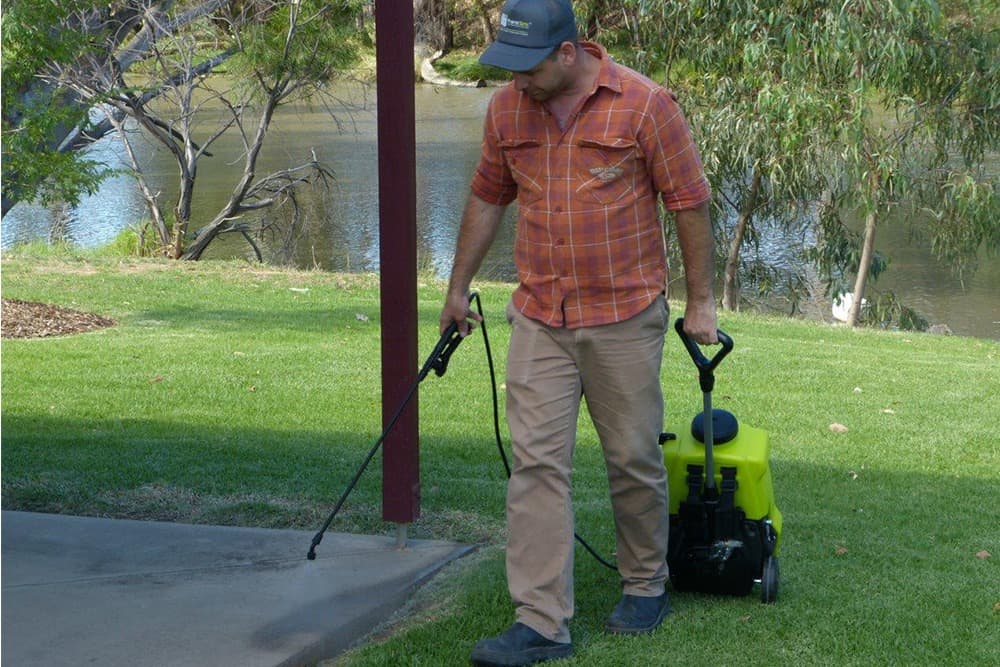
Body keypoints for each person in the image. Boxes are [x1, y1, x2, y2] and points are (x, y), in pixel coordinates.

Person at [438, 0, 718, 664]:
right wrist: (456, 286)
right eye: (510, 68)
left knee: (632, 457)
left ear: (568, 53)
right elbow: (487, 195)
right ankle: (541, 620)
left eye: (528, 68)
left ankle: (645, 583)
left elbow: (689, 201)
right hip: (541, 315)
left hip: (625, 315)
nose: (518, 81)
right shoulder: (507, 110)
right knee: (536, 465)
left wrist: (702, 301)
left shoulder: (646, 105)